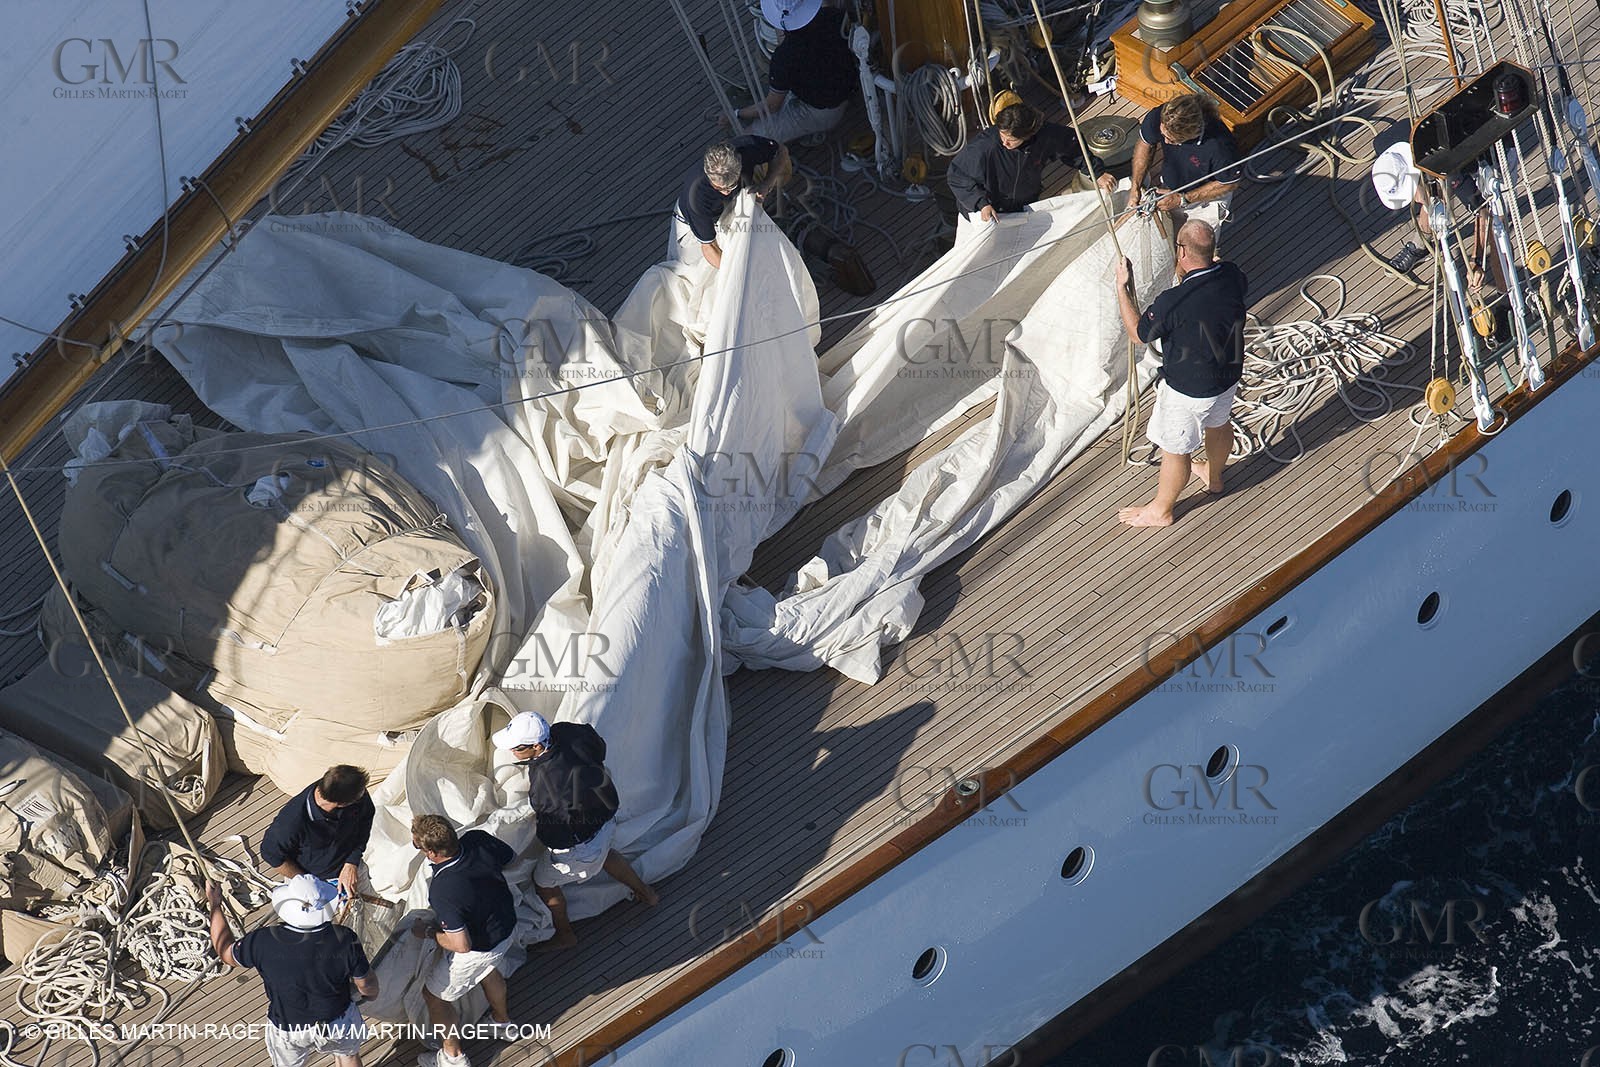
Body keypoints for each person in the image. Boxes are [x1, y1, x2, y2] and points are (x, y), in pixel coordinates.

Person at [1113, 220, 1247, 528]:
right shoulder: (1232, 276)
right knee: (1219, 424)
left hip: (1188, 389)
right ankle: (1214, 479)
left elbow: (1137, 333)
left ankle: (1162, 510)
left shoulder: (1172, 302)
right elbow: (1223, 274)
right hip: (1226, 376)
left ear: (1182, 251)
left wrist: (1122, 288)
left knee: (1176, 451)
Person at [492, 711, 658, 951]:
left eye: (517, 748)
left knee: (543, 883)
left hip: (582, 845)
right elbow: (599, 747)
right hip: (606, 816)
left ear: (537, 746)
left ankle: (565, 934)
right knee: (606, 853)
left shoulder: (546, 787)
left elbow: (556, 837)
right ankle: (646, 893)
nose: (512, 753)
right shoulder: (566, 732)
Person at [207, 873, 377, 1067]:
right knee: (348, 1056)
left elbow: (226, 953)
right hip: (338, 1019)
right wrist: (369, 996)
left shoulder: (261, 941)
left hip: (288, 1027)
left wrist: (215, 905)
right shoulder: (345, 938)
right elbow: (367, 984)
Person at [411, 815, 518, 1067]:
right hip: (506, 926)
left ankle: (453, 1057)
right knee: (489, 971)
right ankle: (501, 1023)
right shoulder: (477, 839)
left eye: (418, 846)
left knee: (435, 996)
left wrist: (427, 932)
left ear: (432, 853)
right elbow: (511, 860)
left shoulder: (443, 889)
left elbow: (461, 945)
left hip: (479, 947)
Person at [948, 102, 1116, 222]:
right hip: (983, 211)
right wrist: (981, 203)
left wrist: (1096, 172)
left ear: (1029, 134)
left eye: (1011, 140)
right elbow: (957, 175)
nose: (1005, 143)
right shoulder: (986, 147)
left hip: (1022, 205)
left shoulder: (1046, 137)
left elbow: (1072, 146)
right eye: (1002, 136)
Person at [726, 0, 856, 145]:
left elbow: (772, 106)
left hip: (822, 112)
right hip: (842, 91)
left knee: (746, 139)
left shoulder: (784, 57)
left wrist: (737, 114)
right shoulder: (835, 17)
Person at [1370, 136, 1492, 282]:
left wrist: (1476, 259)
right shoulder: (1389, 147)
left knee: (1497, 220)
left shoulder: (1450, 172)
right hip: (1433, 173)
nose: (1412, 199)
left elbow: (1483, 210)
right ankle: (1421, 245)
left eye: (1410, 191)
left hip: (1485, 154)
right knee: (1429, 199)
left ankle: (1504, 294)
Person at [1127, 94, 1242, 239]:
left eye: (1173, 140)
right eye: (1163, 135)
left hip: (1206, 202)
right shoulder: (1160, 115)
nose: (1166, 142)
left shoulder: (1221, 148)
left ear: (1193, 133)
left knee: (1197, 247)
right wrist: (1135, 187)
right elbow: (1146, 144)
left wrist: (1183, 199)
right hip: (1170, 189)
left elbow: (1228, 184)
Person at [672, 136, 793, 268]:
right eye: (719, 188)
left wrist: (767, 184)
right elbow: (709, 247)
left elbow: (781, 151)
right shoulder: (696, 196)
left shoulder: (748, 147)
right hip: (696, 225)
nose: (726, 192)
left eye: (731, 186)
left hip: (735, 203)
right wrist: (733, 273)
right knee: (695, 273)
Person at [261, 764, 375, 901]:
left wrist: (352, 862)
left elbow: (365, 821)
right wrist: (306, 882)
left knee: (369, 912)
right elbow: (271, 854)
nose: (365, 793)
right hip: (311, 885)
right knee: (317, 922)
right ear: (341, 803)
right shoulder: (290, 823)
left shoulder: (358, 795)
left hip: (351, 870)